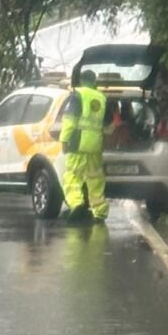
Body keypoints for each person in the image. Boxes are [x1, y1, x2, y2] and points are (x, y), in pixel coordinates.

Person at [59, 69, 110, 222]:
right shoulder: (102, 98)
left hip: (77, 144)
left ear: (81, 81)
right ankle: (99, 212)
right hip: (95, 145)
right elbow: (107, 125)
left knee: (72, 176)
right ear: (94, 82)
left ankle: (77, 204)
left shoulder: (77, 95)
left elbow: (70, 121)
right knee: (95, 179)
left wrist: (64, 140)